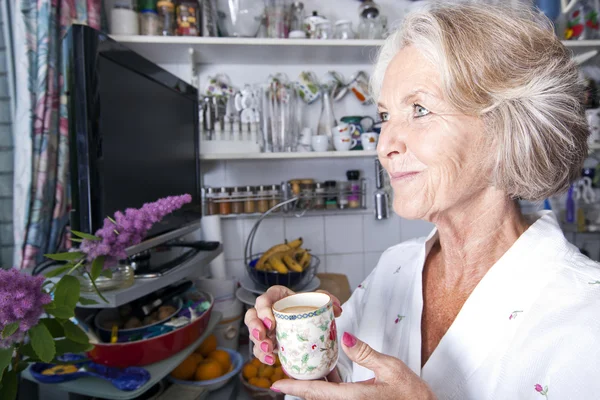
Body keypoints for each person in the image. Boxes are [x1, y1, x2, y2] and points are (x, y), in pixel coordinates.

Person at [244, 2, 600, 399]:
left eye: (419, 109)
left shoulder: (587, 316)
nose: (384, 146)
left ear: (506, 129)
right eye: (384, 116)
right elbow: (341, 379)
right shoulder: (394, 268)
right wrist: (307, 345)